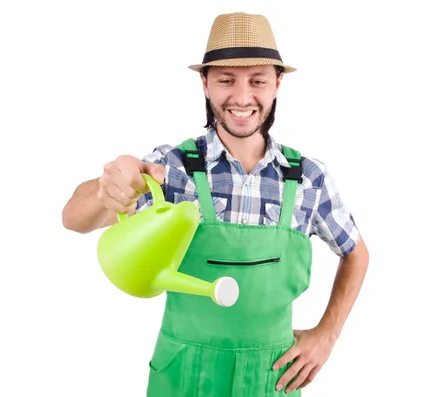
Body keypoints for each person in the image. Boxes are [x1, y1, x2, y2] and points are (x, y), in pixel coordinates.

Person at [62, 11, 369, 396]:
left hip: (271, 376)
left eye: (257, 80)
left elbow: (356, 253)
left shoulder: (308, 178)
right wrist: (107, 188)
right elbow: (74, 218)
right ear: (205, 84)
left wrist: (327, 335)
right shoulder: (169, 170)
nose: (242, 98)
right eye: (226, 80)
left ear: (278, 83)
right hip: (184, 373)